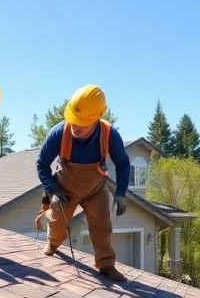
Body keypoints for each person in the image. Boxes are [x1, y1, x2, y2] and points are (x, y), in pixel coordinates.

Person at [36, 85, 130, 282]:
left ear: (97, 117)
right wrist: (51, 191)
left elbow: (122, 163)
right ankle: (52, 243)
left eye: (80, 122)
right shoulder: (59, 133)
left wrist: (121, 193)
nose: (74, 126)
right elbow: (42, 163)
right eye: (72, 119)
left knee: (102, 225)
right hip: (64, 190)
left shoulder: (109, 134)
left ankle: (106, 264)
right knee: (58, 225)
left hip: (96, 190)